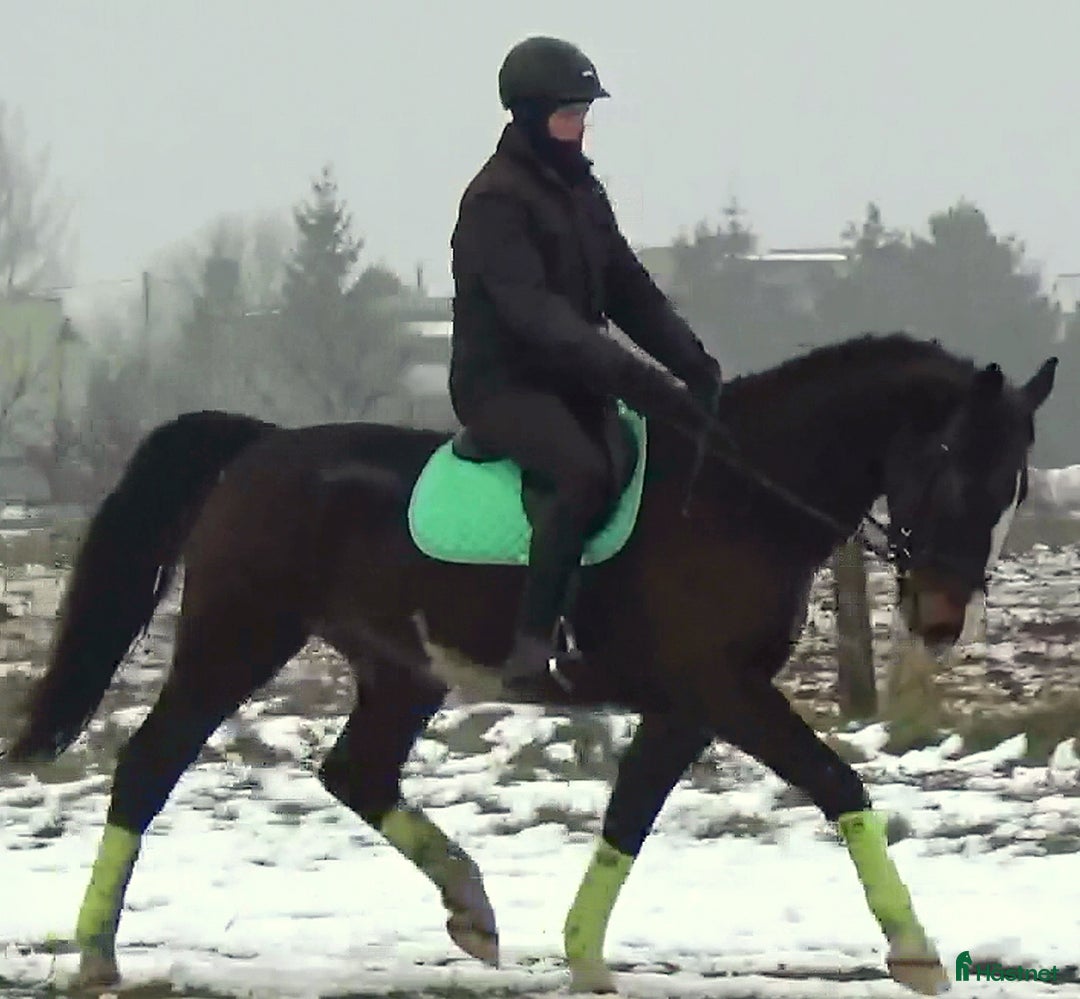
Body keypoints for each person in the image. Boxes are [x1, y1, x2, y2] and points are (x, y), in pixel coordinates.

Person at [449, 35, 724, 697]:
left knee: (643, 460)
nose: (579, 127)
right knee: (581, 472)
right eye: (568, 115)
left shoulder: (581, 191)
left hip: (571, 381)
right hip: (502, 385)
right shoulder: (494, 201)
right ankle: (530, 650)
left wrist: (692, 363)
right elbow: (535, 315)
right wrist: (637, 378)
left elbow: (627, 287)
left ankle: (609, 630)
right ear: (529, 116)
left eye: (583, 114)